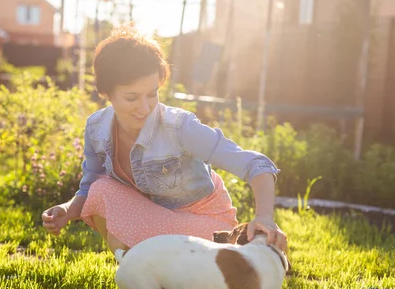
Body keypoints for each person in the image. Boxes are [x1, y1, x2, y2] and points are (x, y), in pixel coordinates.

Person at [42, 26, 287, 258]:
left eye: (152, 94)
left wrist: (264, 217)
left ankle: (161, 284)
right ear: (106, 93)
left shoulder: (179, 127)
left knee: (103, 194)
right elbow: (88, 189)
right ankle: (149, 287)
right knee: (101, 190)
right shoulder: (96, 128)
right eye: (131, 98)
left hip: (208, 228)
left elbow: (256, 164)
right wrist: (66, 210)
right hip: (157, 220)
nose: (145, 107)